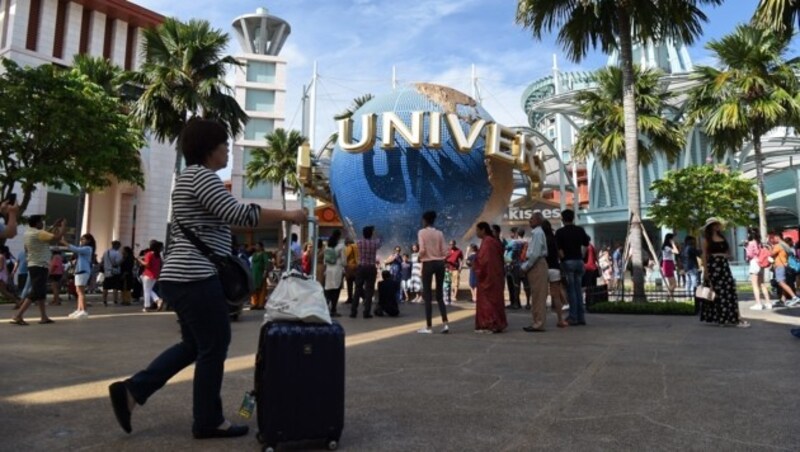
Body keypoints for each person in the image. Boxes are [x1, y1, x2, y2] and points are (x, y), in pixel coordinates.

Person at [107, 119, 306, 439]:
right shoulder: (202, 177)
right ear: (208, 149)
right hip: (194, 276)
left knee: (194, 345)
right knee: (215, 344)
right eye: (223, 144)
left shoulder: (192, 178)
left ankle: (132, 390)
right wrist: (287, 214)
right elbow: (239, 215)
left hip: (183, 275)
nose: (227, 149)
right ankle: (208, 420)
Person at [11, 216, 67, 325]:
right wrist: (63, 227)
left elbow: (44, 234)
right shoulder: (39, 234)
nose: (42, 223)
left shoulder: (29, 233)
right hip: (40, 265)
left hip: (34, 264)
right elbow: (57, 238)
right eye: (41, 222)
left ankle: (43, 317)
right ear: (37, 223)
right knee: (36, 292)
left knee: (41, 293)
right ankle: (18, 315)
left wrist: (54, 226)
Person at [700, 218, 749, 327]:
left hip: (723, 266)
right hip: (713, 266)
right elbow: (704, 256)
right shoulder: (707, 240)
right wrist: (706, 272)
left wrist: (726, 255)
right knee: (717, 292)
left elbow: (728, 252)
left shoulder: (722, 238)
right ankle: (721, 318)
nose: (718, 226)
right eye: (716, 224)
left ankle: (732, 317)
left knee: (729, 290)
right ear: (712, 226)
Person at [416, 211, 450, 334]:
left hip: (428, 263)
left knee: (428, 296)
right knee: (440, 295)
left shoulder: (421, 232)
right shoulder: (439, 233)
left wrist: (419, 257)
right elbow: (445, 251)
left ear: (425, 220)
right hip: (440, 263)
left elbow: (422, 249)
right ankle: (445, 324)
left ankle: (429, 326)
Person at [555, 209, 589, 326]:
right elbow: (586, 243)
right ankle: (581, 317)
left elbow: (559, 250)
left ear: (562, 219)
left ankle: (573, 317)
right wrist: (581, 255)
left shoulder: (560, 232)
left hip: (568, 262)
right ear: (573, 218)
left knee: (571, 291)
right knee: (578, 290)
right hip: (579, 261)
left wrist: (562, 260)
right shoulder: (580, 230)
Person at [472, 223, 506, 333]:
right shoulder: (493, 241)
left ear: (483, 230)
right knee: (496, 301)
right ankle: (497, 323)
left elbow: (484, 261)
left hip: (488, 278)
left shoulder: (487, 242)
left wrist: (475, 265)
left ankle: (489, 324)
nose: (476, 233)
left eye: (477, 230)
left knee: (487, 302)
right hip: (496, 276)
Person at [521, 212, 550, 332]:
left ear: (539, 220)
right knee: (536, 295)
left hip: (537, 264)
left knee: (538, 296)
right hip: (536, 264)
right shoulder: (536, 233)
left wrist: (525, 267)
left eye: (532, 219)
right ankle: (536, 321)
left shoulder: (538, 233)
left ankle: (538, 323)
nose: (530, 221)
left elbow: (535, 254)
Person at [61, 234, 96, 319]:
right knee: (78, 291)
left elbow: (75, 249)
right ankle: (79, 309)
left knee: (81, 292)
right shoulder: (84, 249)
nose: (81, 241)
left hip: (83, 271)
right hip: (79, 271)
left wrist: (64, 242)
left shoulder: (88, 248)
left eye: (83, 239)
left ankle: (83, 310)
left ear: (89, 241)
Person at [350, 226, 382, 319]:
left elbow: (354, 237)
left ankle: (353, 311)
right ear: (371, 234)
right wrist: (376, 235)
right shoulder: (375, 243)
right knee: (369, 290)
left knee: (358, 289)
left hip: (361, 267)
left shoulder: (359, 243)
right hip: (371, 268)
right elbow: (380, 241)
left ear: (363, 234)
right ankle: (366, 312)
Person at [542, 220, 568, 328]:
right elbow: (561, 255)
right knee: (556, 296)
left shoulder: (542, 239)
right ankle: (560, 320)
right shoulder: (554, 239)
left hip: (543, 269)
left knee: (541, 297)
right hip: (555, 269)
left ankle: (540, 321)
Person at [770, 232, 800, 307]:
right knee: (783, 282)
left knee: (780, 282)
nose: (772, 239)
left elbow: (771, 254)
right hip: (784, 265)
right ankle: (783, 300)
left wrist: (770, 247)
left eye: (773, 238)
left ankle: (794, 297)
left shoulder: (778, 245)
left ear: (777, 237)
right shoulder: (785, 245)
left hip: (779, 265)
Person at [744, 228, 772, 310]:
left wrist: (746, 248)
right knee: (762, 284)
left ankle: (758, 304)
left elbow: (749, 255)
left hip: (754, 263)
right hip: (760, 263)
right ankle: (768, 303)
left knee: (755, 285)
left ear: (749, 235)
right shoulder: (759, 243)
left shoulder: (750, 243)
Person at [323, 230, 346, 317]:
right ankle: (333, 309)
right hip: (337, 270)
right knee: (336, 289)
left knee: (328, 290)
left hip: (328, 270)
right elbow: (344, 261)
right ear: (339, 236)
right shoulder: (341, 246)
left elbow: (325, 260)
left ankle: (325, 308)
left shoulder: (327, 246)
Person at [138, 240, 163, 312]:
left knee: (146, 291)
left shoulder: (149, 254)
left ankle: (147, 306)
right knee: (149, 290)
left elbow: (147, 264)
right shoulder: (158, 255)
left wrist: (140, 260)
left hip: (148, 274)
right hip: (155, 275)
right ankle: (158, 300)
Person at [503, 228, 523, 310]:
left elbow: (507, 247)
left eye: (511, 233)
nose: (510, 234)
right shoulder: (513, 242)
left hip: (514, 266)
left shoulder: (516, 242)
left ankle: (516, 303)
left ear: (515, 233)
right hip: (510, 266)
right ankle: (513, 302)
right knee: (511, 285)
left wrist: (503, 241)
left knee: (515, 285)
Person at [249, 242, 271, 310]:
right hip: (253, 274)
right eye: (256, 246)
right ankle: (254, 304)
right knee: (254, 289)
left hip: (261, 273)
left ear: (261, 247)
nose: (256, 247)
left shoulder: (264, 254)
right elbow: (251, 264)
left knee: (262, 289)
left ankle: (261, 304)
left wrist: (265, 272)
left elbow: (266, 263)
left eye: (258, 246)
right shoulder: (254, 254)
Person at [681, 236, 702, 302]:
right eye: (693, 240)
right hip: (692, 266)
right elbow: (698, 253)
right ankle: (694, 296)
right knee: (694, 281)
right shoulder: (690, 248)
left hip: (686, 267)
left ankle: (688, 296)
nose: (694, 242)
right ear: (690, 241)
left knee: (688, 282)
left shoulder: (684, 248)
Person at [102, 241, 122, 306]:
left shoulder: (106, 252)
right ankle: (115, 300)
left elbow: (102, 261)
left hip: (107, 272)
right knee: (115, 287)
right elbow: (117, 262)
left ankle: (104, 300)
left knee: (105, 287)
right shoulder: (117, 253)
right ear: (117, 246)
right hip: (114, 272)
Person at [661, 233, 679, 299]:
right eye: (673, 239)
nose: (674, 240)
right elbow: (676, 251)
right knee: (674, 284)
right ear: (670, 239)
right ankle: (667, 295)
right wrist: (673, 244)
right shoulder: (666, 247)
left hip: (669, 263)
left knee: (671, 284)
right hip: (667, 264)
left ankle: (671, 298)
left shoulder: (667, 247)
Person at [343, 238, 358, 305]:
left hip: (350, 267)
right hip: (356, 266)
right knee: (357, 284)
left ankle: (350, 298)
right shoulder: (357, 246)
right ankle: (363, 297)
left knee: (349, 283)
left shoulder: (350, 247)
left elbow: (345, 255)